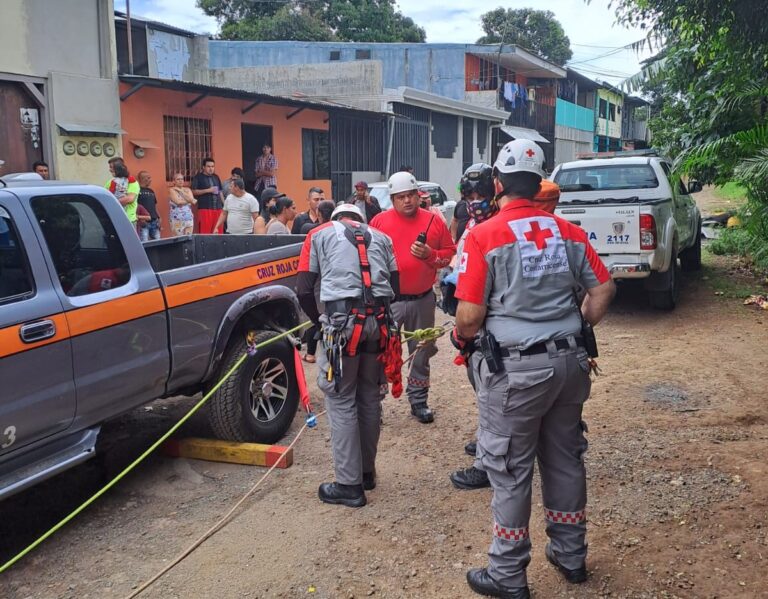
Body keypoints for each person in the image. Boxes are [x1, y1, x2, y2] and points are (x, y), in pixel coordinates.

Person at [451, 139, 616, 598]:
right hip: (570, 364)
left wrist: (460, 339)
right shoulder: (569, 232)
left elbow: (467, 317)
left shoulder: (484, 235)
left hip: (517, 372)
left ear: (498, 184)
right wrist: (576, 326)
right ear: (542, 182)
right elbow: (604, 291)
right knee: (565, 458)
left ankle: (507, 575)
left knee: (509, 469)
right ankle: (571, 555)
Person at [449, 177, 561, 493]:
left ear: (496, 193)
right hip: (479, 326)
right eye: (469, 195)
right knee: (483, 391)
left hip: (494, 331)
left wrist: (464, 328)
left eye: (480, 194)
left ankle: (488, 463)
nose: (475, 201)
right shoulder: (470, 225)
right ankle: (490, 443)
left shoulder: (502, 229)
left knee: (494, 396)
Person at [296, 203, 399, 508]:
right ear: (361, 221)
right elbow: (395, 284)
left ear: (335, 218)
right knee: (368, 396)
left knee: (341, 400)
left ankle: (348, 484)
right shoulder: (381, 236)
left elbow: (303, 289)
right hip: (378, 325)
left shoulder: (318, 233)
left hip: (342, 325)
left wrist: (319, 322)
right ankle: (366, 473)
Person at [369, 172, 456, 424]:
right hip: (388, 300)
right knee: (381, 351)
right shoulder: (378, 222)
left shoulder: (433, 221)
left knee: (421, 351)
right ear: (392, 198)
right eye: (400, 197)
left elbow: (449, 254)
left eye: (411, 195)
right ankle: (375, 404)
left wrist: (430, 255)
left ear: (418, 196)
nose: (407, 201)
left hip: (423, 298)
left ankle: (419, 400)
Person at [301, 199, 336, 363]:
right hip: (349, 306)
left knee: (329, 360)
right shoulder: (349, 233)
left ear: (319, 215)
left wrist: (316, 319)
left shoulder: (315, 235)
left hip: (322, 301)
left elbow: (303, 289)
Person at [191, 157, 224, 234]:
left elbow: (220, 191)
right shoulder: (198, 177)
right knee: (205, 232)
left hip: (218, 208)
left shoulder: (216, 177)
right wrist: (208, 190)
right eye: (208, 166)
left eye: (212, 166)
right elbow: (193, 191)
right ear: (203, 167)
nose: (211, 169)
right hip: (205, 209)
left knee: (219, 232)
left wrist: (224, 205)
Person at [106, 160, 139, 227]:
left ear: (118, 168)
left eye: (111, 167)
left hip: (128, 220)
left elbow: (130, 199)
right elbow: (105, 197)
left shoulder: (132, 182)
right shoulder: (110, 182)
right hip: (113, 219)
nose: (109, 170)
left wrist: (111, 202)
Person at [137, 170, 161, 241]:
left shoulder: (151, 191)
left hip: (154, 221)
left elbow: (154, 206)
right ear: (143, 179)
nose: (150, 180)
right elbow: (136, 207)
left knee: (158, 242)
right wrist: (140, 219)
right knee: (145, 243)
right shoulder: (137, 190)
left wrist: (159, 217)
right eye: (149, 178)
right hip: (144, 222)